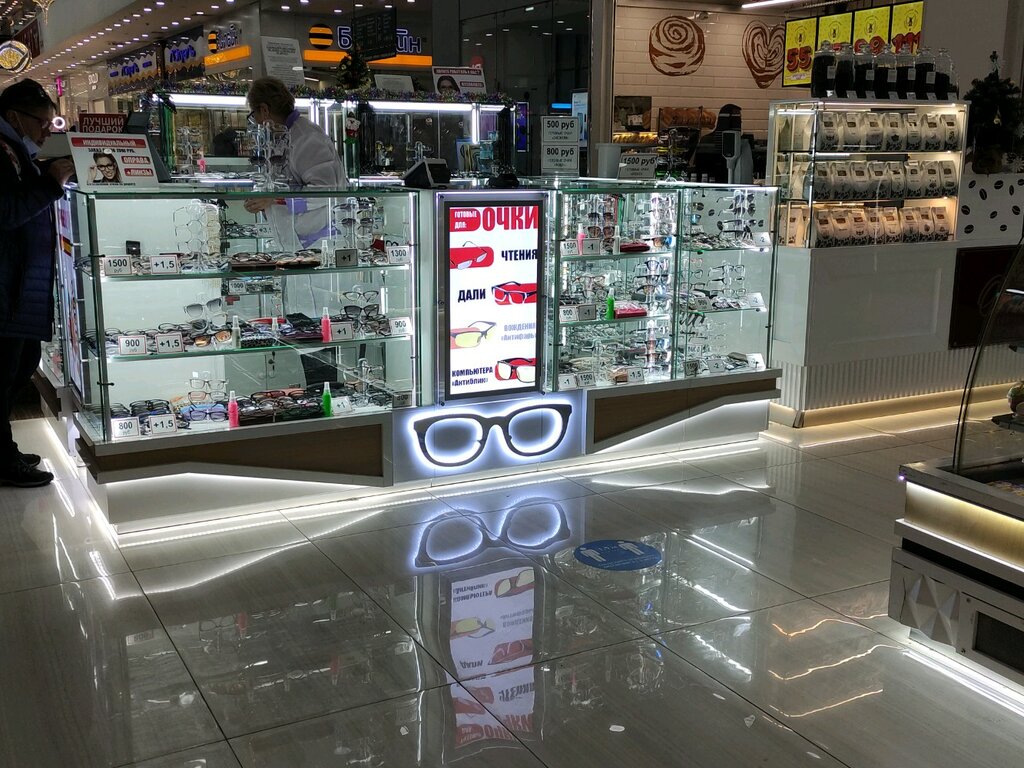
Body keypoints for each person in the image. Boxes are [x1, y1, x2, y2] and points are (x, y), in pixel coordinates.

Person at [0, 79, 75, 487]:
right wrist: (49, 183)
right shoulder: (2, 151)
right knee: (6, 372)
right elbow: (6, 211)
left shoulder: (15, 150)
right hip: (8, 289)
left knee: (19, 366)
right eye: (43, 122)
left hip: (18, 287)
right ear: (15, 117)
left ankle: (5, 450)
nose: (49, 130)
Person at [243, 77, 345, 250]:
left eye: (254, 115)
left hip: (320, 242)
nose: (256, 122)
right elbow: (283, 182)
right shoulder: (284, 136)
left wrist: (274, 199)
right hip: (299, 242)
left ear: (264, 110)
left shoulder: (307, 139)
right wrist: (263, 200)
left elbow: (325, 190)